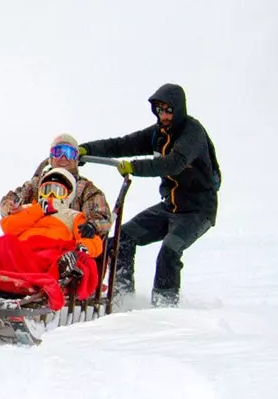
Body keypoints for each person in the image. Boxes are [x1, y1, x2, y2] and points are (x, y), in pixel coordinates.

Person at [79, 83, 221, 308]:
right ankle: (122, 298)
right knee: (123, 238)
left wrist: (134, 167)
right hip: (170, 207)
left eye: (168, 110)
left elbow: (173, 164)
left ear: (179, 110)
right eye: (159, 110)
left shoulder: (192, 133)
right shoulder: (158, 134)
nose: (163, 115)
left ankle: (163, 309)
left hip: (197, 211)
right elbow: (123, 144)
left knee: (169, 250)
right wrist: (86, 149)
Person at [0, 164, 104, 310]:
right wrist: (39, 210)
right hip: (24, 247)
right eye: (47, 190)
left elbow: (91, 240)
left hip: (52, 248)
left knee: (46, 257)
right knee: (7, 243)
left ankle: (61, 268)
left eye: (58, 191)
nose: (51, 195)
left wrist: (85, 247)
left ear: (67, 195)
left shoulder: (75, 216)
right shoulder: (30, 209)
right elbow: (9, 227)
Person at [0, 134, 111, 254]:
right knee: (9, 244)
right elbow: (12, 200)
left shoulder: (86, 189)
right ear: (51, 157)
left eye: (68, 153)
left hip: (65, 243)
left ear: (76, 158)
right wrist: (11, 207)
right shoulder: (37, 183)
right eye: (58, 152)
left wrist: (92, 225)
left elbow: (101, 215)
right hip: (30, 237)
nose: (62, 158)